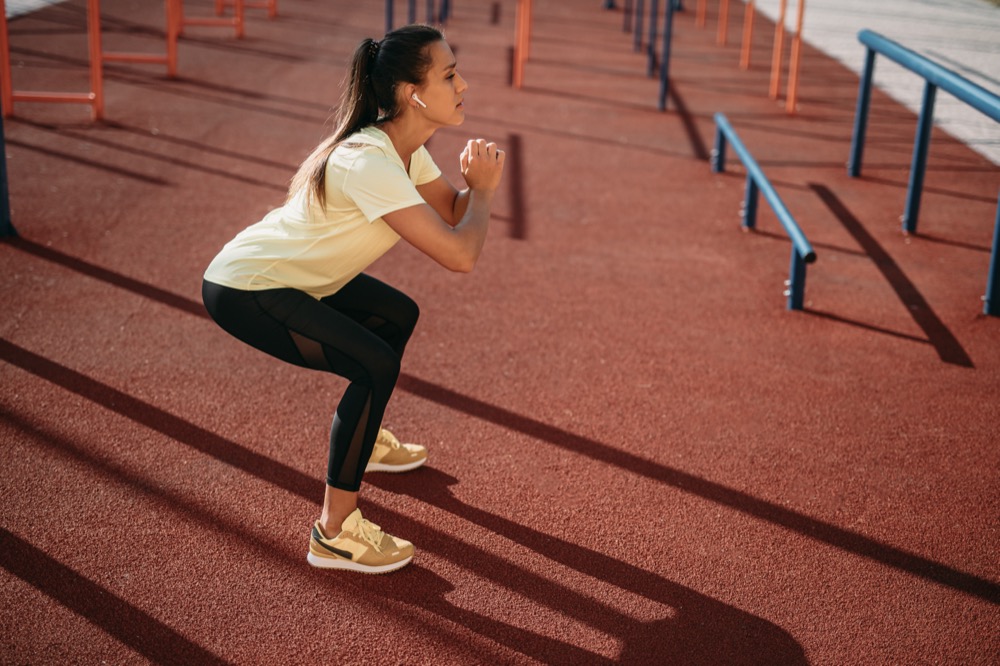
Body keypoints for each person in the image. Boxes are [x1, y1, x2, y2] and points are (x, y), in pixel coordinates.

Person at [201, 24, 505, 574]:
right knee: (374, 363)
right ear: (413, 93)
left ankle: (365, 439)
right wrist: (482, 191)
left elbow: (456, 215)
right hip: (248, 286)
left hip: (297, 279)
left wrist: (471, 192)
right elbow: (460, 255)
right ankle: (335, 533)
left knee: (397, 315)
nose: (464, 84)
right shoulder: (370, 161)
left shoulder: (406, 152)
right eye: (451, 74)